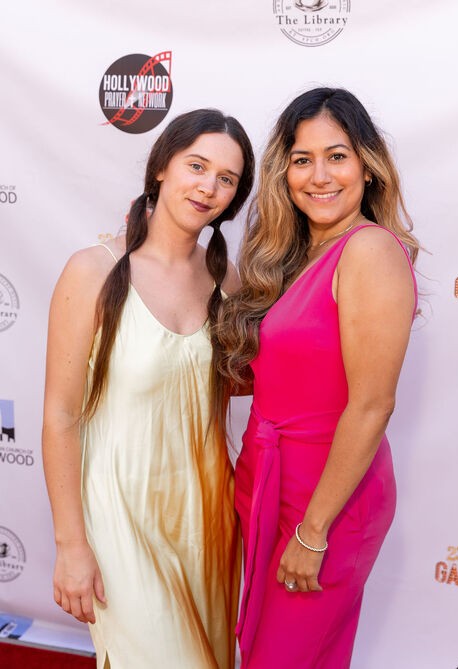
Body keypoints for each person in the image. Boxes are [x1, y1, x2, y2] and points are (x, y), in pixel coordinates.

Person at [42, 108, 254, 669]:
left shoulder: (227, 280)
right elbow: (60, 416)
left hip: (206, 518)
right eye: (196, 166)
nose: (207, 187)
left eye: (226, 178)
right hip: (119, 516)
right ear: (162, 166)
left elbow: (225, 384)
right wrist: (71, 545)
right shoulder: (93, 271)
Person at [215, 87, 419, 669]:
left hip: (327, 503)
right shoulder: (296, 257)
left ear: (367, 167)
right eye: (303, 160)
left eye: (337, 156)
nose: (320, 176)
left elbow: (372, 405)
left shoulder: (368, 250)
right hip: (272, 487)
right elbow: (284, 375)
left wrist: (313, 531)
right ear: (284, 173)